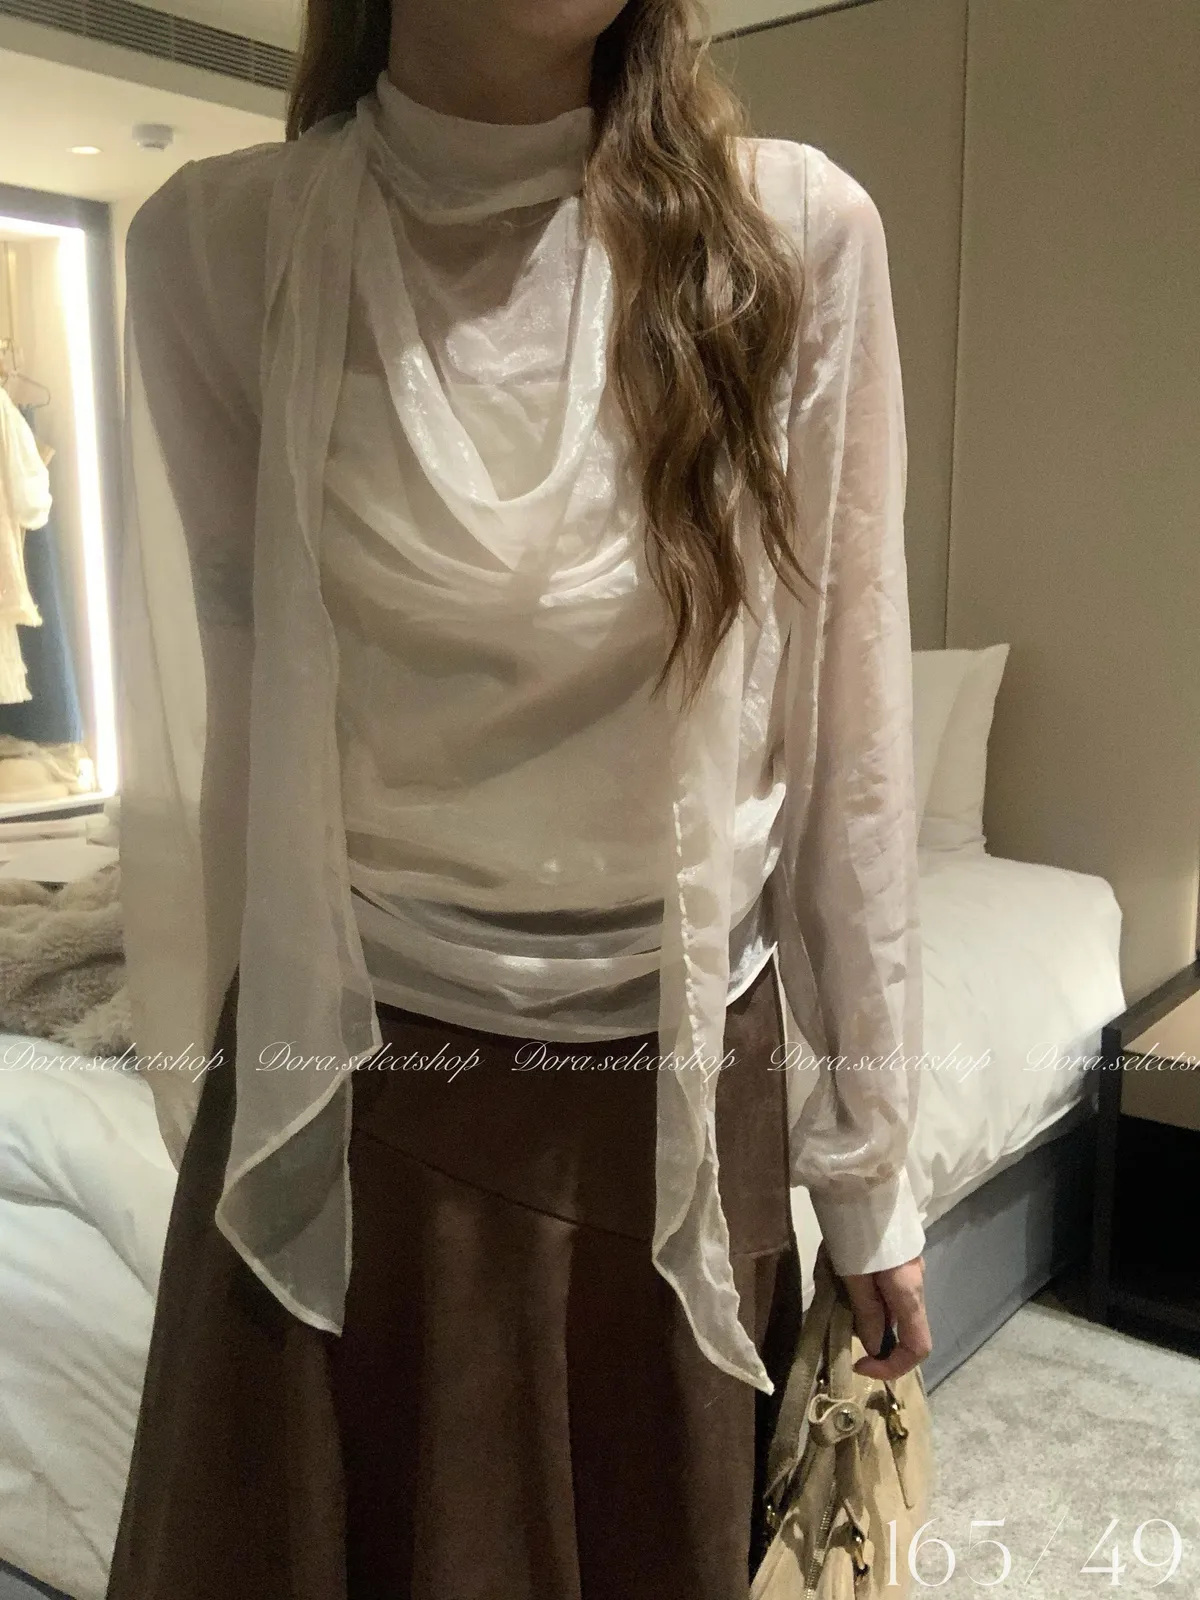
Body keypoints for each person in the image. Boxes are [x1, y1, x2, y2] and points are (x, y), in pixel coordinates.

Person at [110, 1, 933, 1596]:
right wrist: (247, 1101)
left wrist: (867, 1172)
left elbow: (852, 745)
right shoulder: (217, 248)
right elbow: (249, 742)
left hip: (677, 1107)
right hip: (349, 1090)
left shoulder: (795, 235)